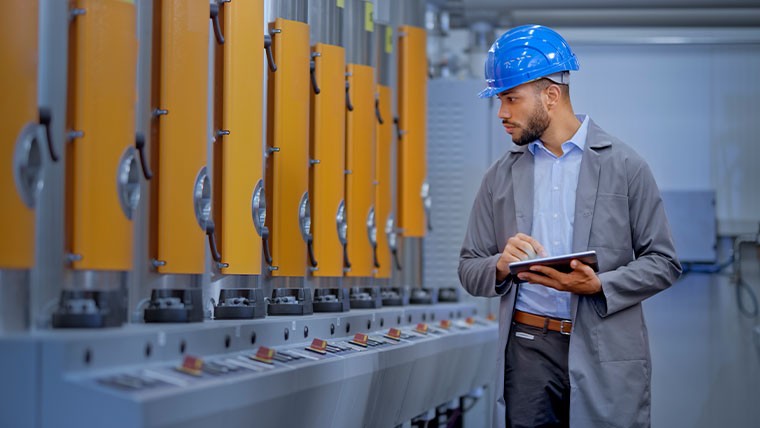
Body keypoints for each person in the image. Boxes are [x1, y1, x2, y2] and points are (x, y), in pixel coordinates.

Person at [458, 25, 682, 428]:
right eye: (499, 100)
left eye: (511, 98)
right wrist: (500, 266)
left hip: (604, 347)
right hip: (527, 350)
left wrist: (600, 286)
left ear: (551, 95)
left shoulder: (625, 166)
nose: (502, 113)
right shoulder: (499, 177)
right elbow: (469, 265)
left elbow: (664, 262)